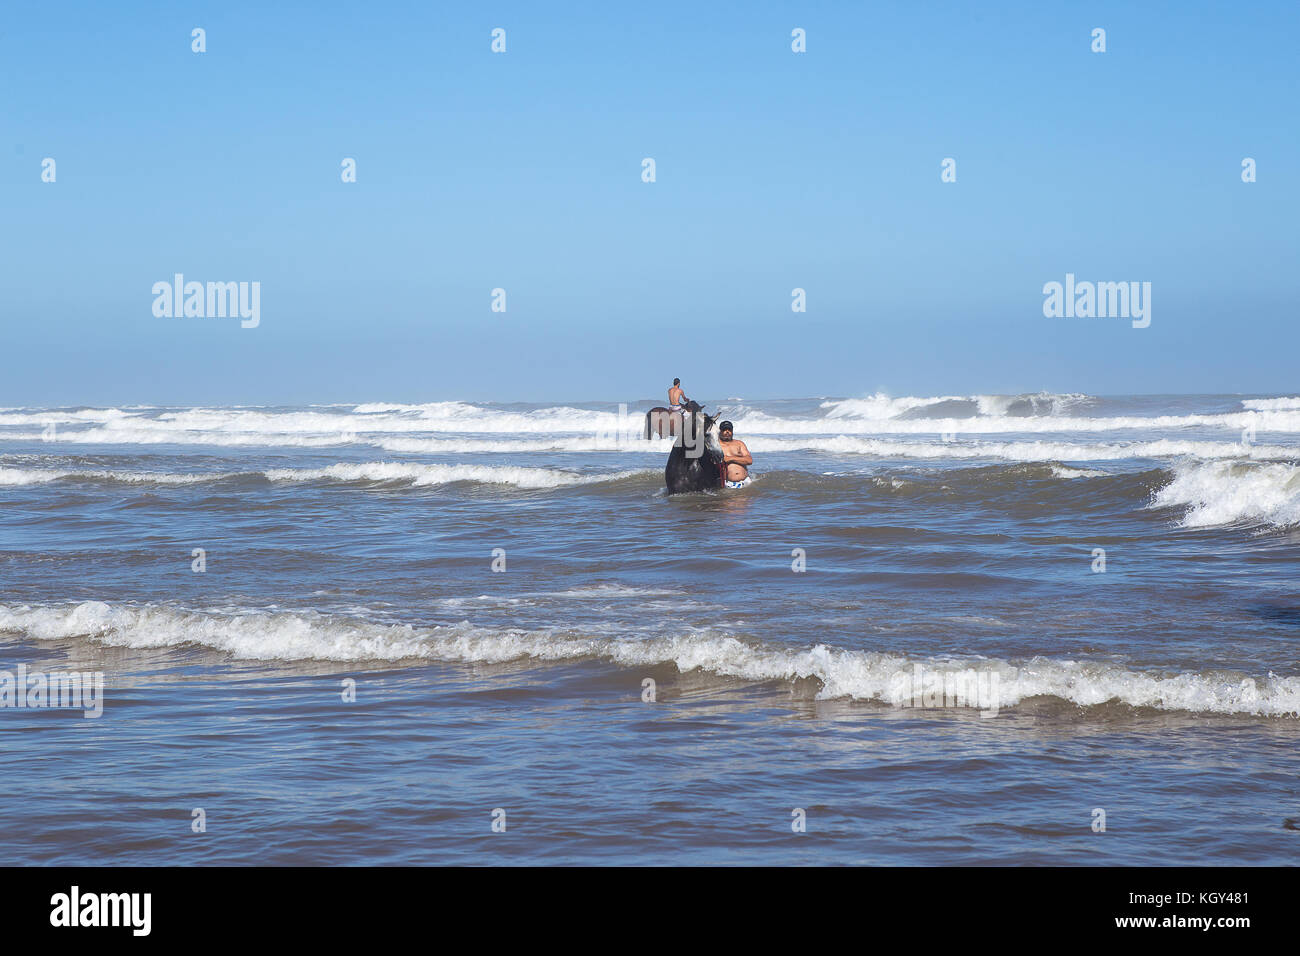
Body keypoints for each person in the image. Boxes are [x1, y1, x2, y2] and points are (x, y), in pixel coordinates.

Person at [717, 420, 753, 488]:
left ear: (732, 431)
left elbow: (749, 460)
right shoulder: (716, 445)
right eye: (724, 429)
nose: (727, 432)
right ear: (720, 431)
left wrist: (730, 459)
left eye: (729, 430)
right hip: (727, 484)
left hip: (746, 482)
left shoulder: (739, 444)